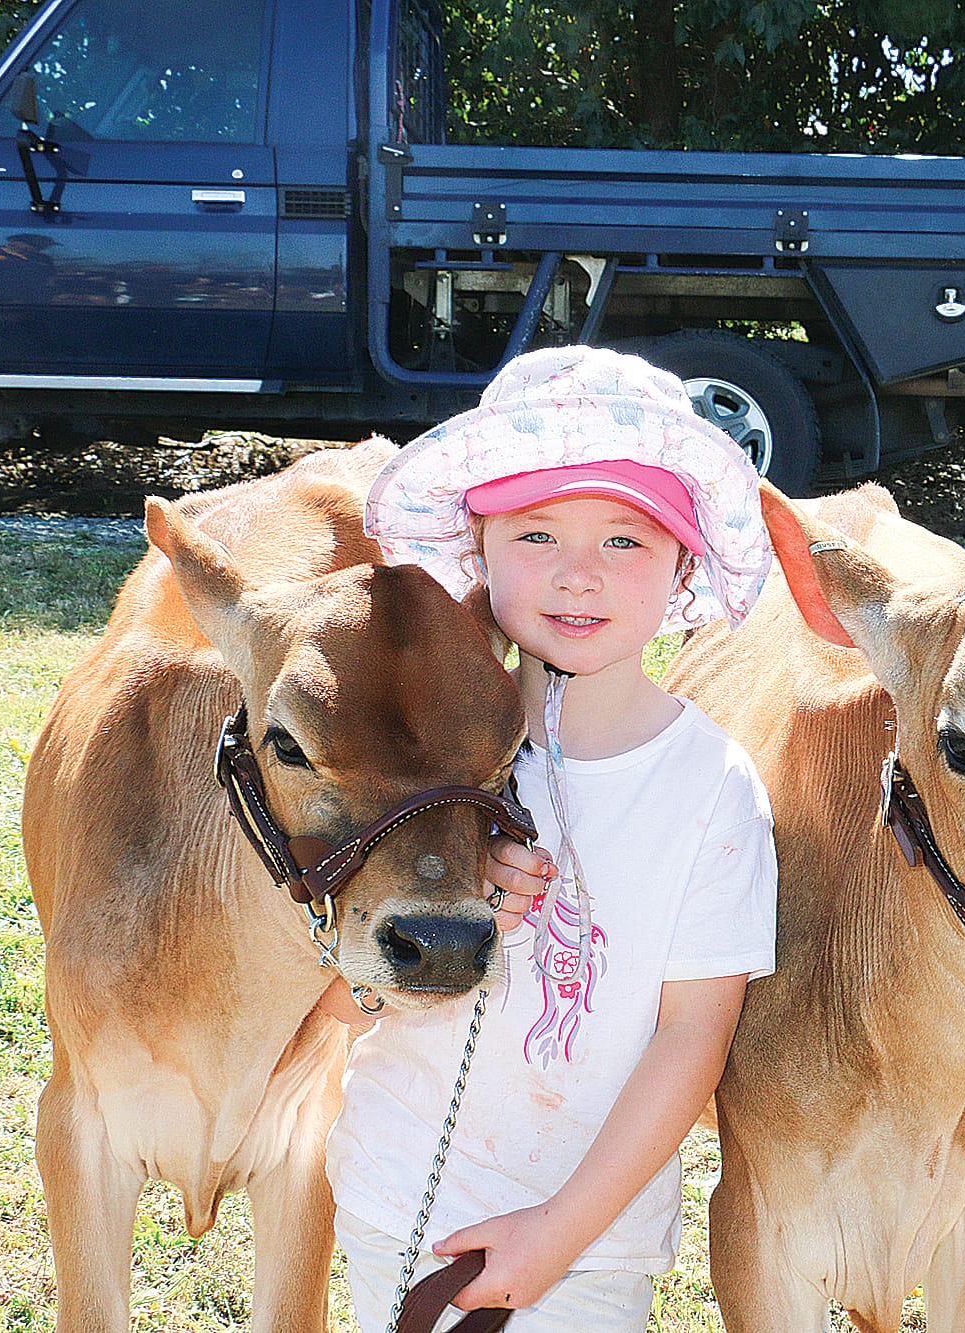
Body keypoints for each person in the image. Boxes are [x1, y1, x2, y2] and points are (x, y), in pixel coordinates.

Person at [319, 346, 778, 1330]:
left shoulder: (711, 787)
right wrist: (443, 903)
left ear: (684, 562)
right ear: (477, 550)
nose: (578, 575)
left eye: (625, 540)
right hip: (399, 1200)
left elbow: (691, 1037)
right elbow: (339, 993)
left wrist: (558, 1232)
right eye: (536, 533)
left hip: (589, 1244)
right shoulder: (422, 760)